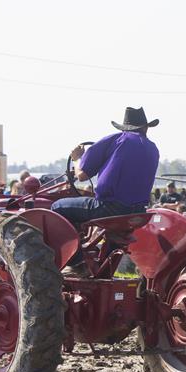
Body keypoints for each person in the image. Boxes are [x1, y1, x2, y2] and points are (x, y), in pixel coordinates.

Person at [51, 107, 160, 276]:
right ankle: (103, 273)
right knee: (115, 224)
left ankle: (76, 263)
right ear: (146, 128)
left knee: (57, 208)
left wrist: (77, 158)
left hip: (110, 207)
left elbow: (81, 175)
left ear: (124, 127)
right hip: (138, 212)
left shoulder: (116, 140)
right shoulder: (153, 148)